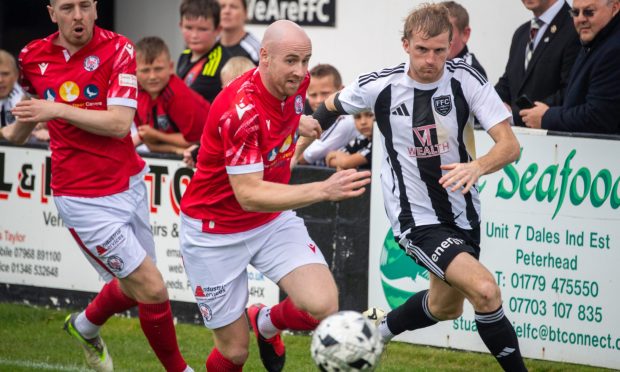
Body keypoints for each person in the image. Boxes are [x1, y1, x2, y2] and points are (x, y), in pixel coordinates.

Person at [313, 4, 527, 371]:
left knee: (446, 306)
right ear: (406, 44)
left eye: (440, 51)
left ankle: (378, 330)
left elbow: (510, 146)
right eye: (422, 50)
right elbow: (327, 107)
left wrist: (477, 166)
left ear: (451, 45)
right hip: (416, 219)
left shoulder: (466, 80)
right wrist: (293, 150)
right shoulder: (380, 84)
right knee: (485, 290)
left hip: (464, 213)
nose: (431, 60)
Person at [178, 20, 371, 372]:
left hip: (270, 221)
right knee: (235, 353)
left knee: (323, 305)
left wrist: (298, 122)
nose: (301, 72)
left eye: (306, 60)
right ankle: (253, 329)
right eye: (291, 61)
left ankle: (265, 323)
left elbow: (282, 109)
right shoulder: (241, 112)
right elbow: (249, 194)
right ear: (263, 57)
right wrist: (323, 189)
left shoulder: (295, 83)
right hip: (213, 232)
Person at [11, 1, 193, 371]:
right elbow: (29, 115)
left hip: (128, 183)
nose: (77, 15)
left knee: (137, 286)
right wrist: (13, 133)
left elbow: (117, 123)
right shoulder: (32, 56)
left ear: (96, 9)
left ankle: (83, 325)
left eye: (84, 5)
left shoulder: (120, 48)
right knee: (153, 288)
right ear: (51, 13)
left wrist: (56, 108)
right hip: (80, 196)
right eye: (67, 7)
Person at [520, 0, 620, 134]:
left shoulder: (613, 49)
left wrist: (547, 117)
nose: (580, 19)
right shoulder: (593, 42)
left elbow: (599, 116)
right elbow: (574, 98)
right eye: (575, 12)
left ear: (615, 7)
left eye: (589, 12)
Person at [495, 0, 580, 127]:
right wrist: (489, 103)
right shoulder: (521, 33)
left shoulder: (576, 27)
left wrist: (517, 115)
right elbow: (508, 83)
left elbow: (571, 90)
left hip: (554, 139)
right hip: (519, 139)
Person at [133, 36, 210, 155]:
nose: (152, 76)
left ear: (170, 67)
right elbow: (148, 141)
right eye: (145, 70)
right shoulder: (135, 92)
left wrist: (156, 135)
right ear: (135, 71)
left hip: (204, 152)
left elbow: (195, 142)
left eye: (158, 69)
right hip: (176, 154)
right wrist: (174, 149)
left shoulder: (177, 95)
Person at [182, 55, 254, 168]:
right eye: (229, 89)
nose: (237, 95)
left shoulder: (254, 114)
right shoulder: (220, 112)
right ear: (222, 88)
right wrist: (196, 151)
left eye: (241, 89)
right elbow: (214, 141)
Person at [295, 64, 360, 166]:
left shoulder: (346, 121)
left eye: (325, 93)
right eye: (313, 95)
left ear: (342, 90)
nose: (319, 100)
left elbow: (302, 157)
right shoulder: (309, 117)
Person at [177, 0, 232, 103]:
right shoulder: (184, 55)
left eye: (202, 29)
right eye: (188, 27)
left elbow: (185, 100)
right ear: (180, 26)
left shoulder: (220, 62)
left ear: (218, 30)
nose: (194, 35)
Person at [441, 1, 487, 77]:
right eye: (434, 33)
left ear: (465, 34)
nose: (439, 39)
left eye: (447, 32)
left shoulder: (473, 74)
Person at [218, 0, 260, 65]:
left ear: (245, 13)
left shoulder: (255, 51)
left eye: (233, 7)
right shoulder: (209, 45)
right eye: (222, 6)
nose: (226, 11)